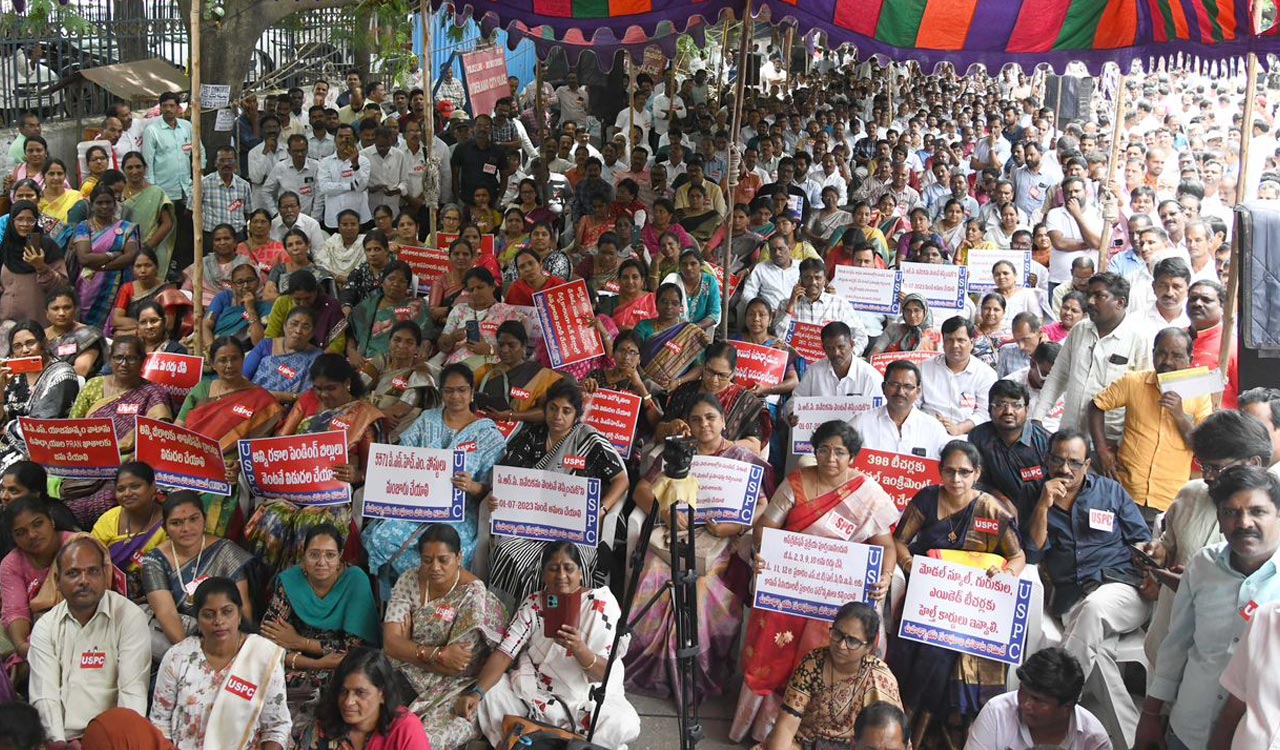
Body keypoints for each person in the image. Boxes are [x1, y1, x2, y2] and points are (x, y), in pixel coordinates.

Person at [734, 421, 899, 744]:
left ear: (852, 456)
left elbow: (887, 546)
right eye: (823, 450)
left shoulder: (867, 493)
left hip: (836, 587)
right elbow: (766, 526)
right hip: (792, 580)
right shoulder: (796, 482)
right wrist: (765, 551)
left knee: (830, 632)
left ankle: (811, 724)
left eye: (840, 452)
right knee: (776, 621)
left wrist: (886, 576)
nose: (831, 458)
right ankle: (763, 726)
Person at [627, 395, 776, 698]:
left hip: (721, 541)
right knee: (653, 573)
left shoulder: (741, 459)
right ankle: (652, 666)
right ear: (689, 425)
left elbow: (762, 507)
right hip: (674, 536)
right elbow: (641, 489)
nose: (704, 424)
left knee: (703, 584)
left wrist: (732, 527)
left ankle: (696, 669)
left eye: (710, 417)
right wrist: (664, 513)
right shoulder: (677, 453)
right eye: (696, 419)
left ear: (723, 421)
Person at [1135, 466, 1280, 750]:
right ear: (1219, 519)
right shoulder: (1203, 565)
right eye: (1231, 513)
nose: (1244, 523)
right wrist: (1151, 714)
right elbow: (1177, 645)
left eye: (1257, 512)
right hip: (1188, 730)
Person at [888, 441, 1025, 742]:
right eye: (949, 471)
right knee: (922, 645)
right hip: (928, 596)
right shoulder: (927, 498)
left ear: (977, 474)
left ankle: (932, 725)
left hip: (971, 604)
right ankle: (906, 720)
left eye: (964, 472)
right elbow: (899, 540)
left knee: (944, 648)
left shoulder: (990, 509)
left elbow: (1018, 556)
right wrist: (911, 564)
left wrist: (1006, 574)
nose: (956, 479)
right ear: (939, 471)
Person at [1024, 429, 1151, 747]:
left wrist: (1153, 569)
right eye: (1058, 460)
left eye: (1074, 463)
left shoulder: (1110, 492)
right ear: (1047, 460)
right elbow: (1033, 553)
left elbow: (1142, 540)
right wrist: (1043, 505)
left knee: (1094, 609)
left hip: (1122, 590)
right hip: (1071, 599)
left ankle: (1052, 700)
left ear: (1088, 464)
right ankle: (1133, 742)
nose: (1065, 469)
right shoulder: (1035, 496)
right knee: (1101, 657)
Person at [458, 541, 642, 750]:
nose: (561, 575)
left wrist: (579, 648)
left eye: (568, 568)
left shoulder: (600, 604)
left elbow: (603, 676)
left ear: (580, 574)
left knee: (622, 723)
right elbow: (505, 652)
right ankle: (560, 741)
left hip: (587, 700)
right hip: (540, 697)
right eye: (553, 569)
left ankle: (541, 740)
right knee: (493, 693)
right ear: (544, 575)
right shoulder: (534, 604)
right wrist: (477, 693)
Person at [486, 381, 629, 610]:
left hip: (574, 528)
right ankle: (513, 617)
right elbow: (503, 475)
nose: (558, 416)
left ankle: (563, 617)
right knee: (507, 551)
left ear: (576, 414)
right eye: (553, 408)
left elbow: (622, 480)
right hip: (531, 524)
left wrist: (601, 510)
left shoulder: (588, 440)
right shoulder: (532, 437)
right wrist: (498, 495)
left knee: (565, 562)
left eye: (566, 411)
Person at [365, 365, 504, 588]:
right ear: (441, 392)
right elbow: (401, 457)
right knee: (383, 537)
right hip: (415, 504)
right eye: (449, 391)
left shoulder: (489, 435)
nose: (455, 396)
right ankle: (415, 590)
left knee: (448, 551)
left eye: (461, 390)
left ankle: (432, 593)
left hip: (458, 513)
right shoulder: (426, 420)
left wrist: (472, 486)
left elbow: (493, 490)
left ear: (471, 392)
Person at [245, 354, 384, 570]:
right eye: (318, 388)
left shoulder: (363, 415)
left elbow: (374, 470)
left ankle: (309, 588)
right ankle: (267, 587)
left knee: (311, 524)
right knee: (272, 518)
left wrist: (357, 475)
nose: (323, 395)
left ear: (347, 383)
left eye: (330, 388)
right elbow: (280, 443)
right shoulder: (308, 401)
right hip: (294, 489)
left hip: (333, 497)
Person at [380, 524, 507, 750]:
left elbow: (456, 666)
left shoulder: (471, 592)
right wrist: (436, 653)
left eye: (443, 560)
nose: (434, 568)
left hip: (456, 686)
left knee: (425, 740)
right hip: (404, 672)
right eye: (427, 560)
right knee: (371, 721)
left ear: (459, 557)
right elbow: (390, 644)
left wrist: (408, 645)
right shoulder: (409, 580)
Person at [28, 535, 150, 744]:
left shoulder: (128, 616)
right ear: (58, 581)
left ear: (105, 575)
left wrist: (117, 742)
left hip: (112, 739)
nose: (84, 580)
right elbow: (44, 695)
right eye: (73, 573)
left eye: (92, 571)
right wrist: (58, 744)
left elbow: (132, 691)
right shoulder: (46, 627)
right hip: (62, 739)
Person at [150, 577, 291, 750]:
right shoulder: (178, 657)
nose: (219, 621)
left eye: (227, 612)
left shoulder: (262, 657)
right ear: (198, 620)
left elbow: (276, 728)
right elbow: (159, 723)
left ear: (239, 615)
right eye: (209, 615)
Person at [1087, 327, 1212, 516]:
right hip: (1127, 490)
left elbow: (1200, 445)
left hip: (1168, 498)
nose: (1167, 361)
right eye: (1161, 353)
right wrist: (1102, 450)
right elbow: (1096, 406)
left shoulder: (1200, 392)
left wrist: (1179, 414)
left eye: (1177, 356)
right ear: (1152, 354)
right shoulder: (1134, 381)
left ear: (1190, 360)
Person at [260, 523, 380, 716]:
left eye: (330, 555)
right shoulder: (290, 581)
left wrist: (300, 642)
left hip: (342, 666)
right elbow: (268, 642)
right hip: (295, 664)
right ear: (303, 555)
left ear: (340, 555)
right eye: (314, 554)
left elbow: (353, 648)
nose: (321, 562)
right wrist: (313, 662)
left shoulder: (355, 580)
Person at [761, 602, 902, 750]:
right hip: (804, 744)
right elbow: (787, 726)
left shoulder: (879, 677)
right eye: (837, 634)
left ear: (869, 647)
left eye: (852, 641)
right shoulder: (813, 663)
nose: (841, 645)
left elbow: (894, 735)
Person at [63, 336, 172, 525]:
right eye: (118, 357)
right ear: (110, 359)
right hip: (86, 463)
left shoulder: (153, 392)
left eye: (131, 358)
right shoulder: (94, 386)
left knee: (109, 499)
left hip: (125, 467)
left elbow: (159, 432)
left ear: (142, 361)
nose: (124, 364)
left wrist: (127, 446)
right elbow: (72, 428)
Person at [1033, 273, 1152, 445]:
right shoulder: (1079, 330)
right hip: (1070, 434)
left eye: (1099, 296)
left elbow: (1142, 397)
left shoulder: (1139, 338)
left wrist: (1124, 444)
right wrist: (1038, 417)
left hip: (1110, 442)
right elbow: (1058, 376)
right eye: (1089, 295)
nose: (1090, 301)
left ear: (1121, 302)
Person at [140, 492, 253, 662]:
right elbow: (167, 613)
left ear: (204, 519)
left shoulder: (225, 551)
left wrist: (240, 652)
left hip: (226, 634)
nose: (186, 528)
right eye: (176, 523)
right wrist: (195, 659)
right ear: (165, 528)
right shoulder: (154, 561)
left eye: (194, 519)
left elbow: (242, 608)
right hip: (179, 640)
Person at [963, 647, 1109, 750]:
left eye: (1038, 700)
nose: (1026, 704)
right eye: (1022, 691)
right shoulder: (996, 713)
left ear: (1066, 707)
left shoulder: (1094, 740)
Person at [293, 648, 432, 750]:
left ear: (382, 694)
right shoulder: (321, 728)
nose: (348, 701)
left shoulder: (405, 729)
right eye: (343, 691)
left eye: (360, 692)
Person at [659, 341, 769, 456]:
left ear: (732, 374)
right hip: (683, 459)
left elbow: (754, 446)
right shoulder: (685, 391)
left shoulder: (745, 401)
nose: (714, 380)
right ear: (703, 366)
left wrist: (721, 444)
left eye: (722, 375)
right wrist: (670, 427)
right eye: (710, 371)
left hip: (724, 464)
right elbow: (659, 430)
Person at [968, 380, 1051, 527]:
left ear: (1027, 410)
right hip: (995, 511)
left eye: (1016, 405)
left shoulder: (1045, 441)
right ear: (989, 409)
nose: (1008, 411)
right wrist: (1000, 499)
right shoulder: (979, 437)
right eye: (1000, 405)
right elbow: (975, 481)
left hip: (1043, 515)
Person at [0, 321, 80, 469]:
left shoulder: (62, 374)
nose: (25, 350)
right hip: (5, 443)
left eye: (30, 343)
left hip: (41, 448)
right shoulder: (11, 376)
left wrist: (8, 428)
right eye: (17, 346)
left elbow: (43, 424)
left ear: (44, 343)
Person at [89, 462, 166, 603]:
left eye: (135, 486)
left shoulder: (168, 524)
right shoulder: (109, 519)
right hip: (105, 596)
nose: (127, 494)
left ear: (153, 487)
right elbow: (90, 557)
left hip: (153, 598)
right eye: (121, 489)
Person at [851, 360, 952, 461]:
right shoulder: (861, 423)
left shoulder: (933, 428)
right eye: (894, 384)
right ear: (883, 387)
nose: (900, 392)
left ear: (918, 392)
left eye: (908, 387)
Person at [73, 186, 140, 332]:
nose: (104, 206)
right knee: (87, 328)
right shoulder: (84, 227)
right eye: (99, 203)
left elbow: (130, 255)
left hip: (119, 284)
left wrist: (101, 267)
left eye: (108, 202)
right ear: (92, 205)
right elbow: (84, 258)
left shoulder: (127, 228)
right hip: (89, 287)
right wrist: (112, 255)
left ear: (115, 204)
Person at [437, 267, 530, 370]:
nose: (475, 293)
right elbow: (443, 346)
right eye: (471, 290)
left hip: (491, 366)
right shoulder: (459, 310)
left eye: (480, 287)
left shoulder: (507, 312)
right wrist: (452, 338)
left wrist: (489, 349)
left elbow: (517, 347)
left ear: (492, 286)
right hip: (457, 365)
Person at [0, 201, 68, 329]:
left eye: (30, 220)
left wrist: (41, 266)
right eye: (19, 219)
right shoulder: (6, 246)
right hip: (6, 324)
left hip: (37, 322)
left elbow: (62, 286)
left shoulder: (47, 247)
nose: (24, 224)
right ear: (12, 221)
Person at [634, 283, 710, 394]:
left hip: (677, 391)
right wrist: (645, 377)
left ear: (680, 307)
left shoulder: (688, 332)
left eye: (674, 303)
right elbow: (631, 355)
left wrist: (678, 381)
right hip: (641, 385)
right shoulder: (644, 327)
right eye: (664, 302)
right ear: (656, 303)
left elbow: (699, 368)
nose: (669, 307)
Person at [348, 260, 432, 361]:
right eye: (391, 279)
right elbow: (351, 333)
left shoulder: (417, 306)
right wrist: (352, 352)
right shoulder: (366, 306)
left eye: (402, 281)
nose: (396, 284)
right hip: (368, 361)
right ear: (382, 282)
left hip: (405, 361)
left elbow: (427, 335)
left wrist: (424, 350)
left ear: (407, 285)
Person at [245, 306, 322, 407]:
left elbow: (315, 395)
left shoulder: (317, 358)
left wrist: (285, 397)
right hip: (252, 402)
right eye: (294, 324)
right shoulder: (265, 346)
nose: (298, 331)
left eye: (305, 327)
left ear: (312, 333)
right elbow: (242, 378)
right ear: (285, 326)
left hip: (287, 412)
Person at [119, 152, 176, 279]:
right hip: (121, 252)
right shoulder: (119, 192)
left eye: (138, 167)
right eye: (130, 168)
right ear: (123, 170)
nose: (135, 171)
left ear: (145, 169)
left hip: (150, 250)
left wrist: (147, 247)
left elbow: (167, 224)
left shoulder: (156, 192)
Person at [871, 294, 941, 354]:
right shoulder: (893, 330)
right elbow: (874, 354)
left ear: (925, 312)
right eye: (908, 311)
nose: (912, 315)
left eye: (916, 310)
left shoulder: (934, 335)